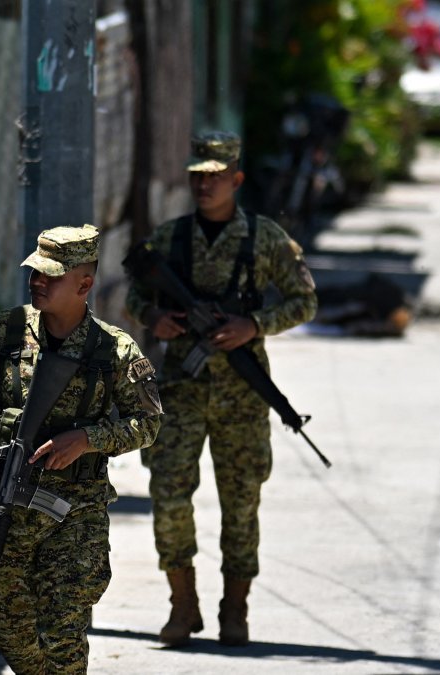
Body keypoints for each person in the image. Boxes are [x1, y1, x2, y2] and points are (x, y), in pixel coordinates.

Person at [125, 131, 318, 647]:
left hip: (241, 396)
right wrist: (155, 318)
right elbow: (135, 294)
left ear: (236, 179)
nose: (204, 184)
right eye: (197, 176)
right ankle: (181, 604)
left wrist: (253, 325)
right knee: (168, 494)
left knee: (241, 501)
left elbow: (304, 300)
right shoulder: (170, 240)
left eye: (215, 176)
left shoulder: (264, 239)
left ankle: (235, 609)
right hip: (180, 390)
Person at [0, 224, 162, 674]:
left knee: (63, 628)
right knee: (5, 622)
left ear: (84, 284)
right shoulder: (1, 333)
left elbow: (147, 423)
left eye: (51, 276)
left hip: (75, 511)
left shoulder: (114, 351)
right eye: (35, 273)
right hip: (6, 505)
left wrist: (87, 440)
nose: (38, 282)